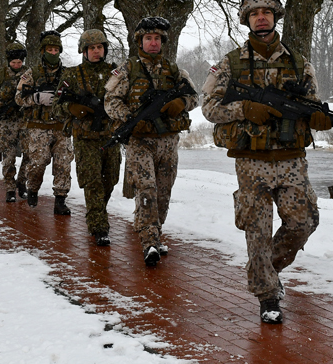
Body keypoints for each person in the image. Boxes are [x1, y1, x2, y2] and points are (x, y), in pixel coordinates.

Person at [201, 0, 331, 324]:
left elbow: (310, 105)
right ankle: (268, 296)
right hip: (251, 162)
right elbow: (209, 107)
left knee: (304, 223)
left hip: (291, 161)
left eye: (267, 12)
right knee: (257, 231)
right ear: (247, 19)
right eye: (255, 13)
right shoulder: (229, 64)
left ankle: (264, 271)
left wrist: (318, 118)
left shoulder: (299, 63)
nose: (261, 18)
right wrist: (245, 109)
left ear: (276, 16)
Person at [104, 17, 198, 266]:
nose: (153, 43)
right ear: (140, 42)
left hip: (168, 141)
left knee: (163, 193)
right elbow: (110, 101)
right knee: (146, 190)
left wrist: (181, 103)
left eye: (157, 39)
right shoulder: (127, 70)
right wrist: (131, 118)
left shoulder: (175, 70)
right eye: (148, 39)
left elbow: (194, 97)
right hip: (140, 142)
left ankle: (155, 231)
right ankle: (149, 242)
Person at [54, 29, 121, 245]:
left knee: (109, 181)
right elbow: (57, 106)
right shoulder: (71, 75)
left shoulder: (116, 74)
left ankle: (97, 212)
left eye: (99, 47)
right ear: (84, 51)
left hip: (111, 137)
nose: (96, 51)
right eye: (91, 48)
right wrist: (76, 109)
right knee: (93, 183)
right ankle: (99, 227)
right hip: (85, 139)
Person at [15, 30, 73, 214]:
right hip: (38, 127)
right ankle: (32, 189)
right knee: (37, 164)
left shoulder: (68, 75)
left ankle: (60, 199)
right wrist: (36, 98)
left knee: (63, 164)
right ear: (43, 51)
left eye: (56, 50)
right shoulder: (31, 74)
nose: (53, 53)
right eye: (49, 49)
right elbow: (18, 98)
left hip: (61, 127)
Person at [0, 42, 31, 202]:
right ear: (8, 61)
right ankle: (10, 187)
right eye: (13, 63)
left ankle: (22, 181)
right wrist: (0, 107)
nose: (17, 65)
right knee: (8, 157)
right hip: (6, 123)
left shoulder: (29, 74)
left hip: (25, 121)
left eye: (19, 62)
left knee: (30, 154)